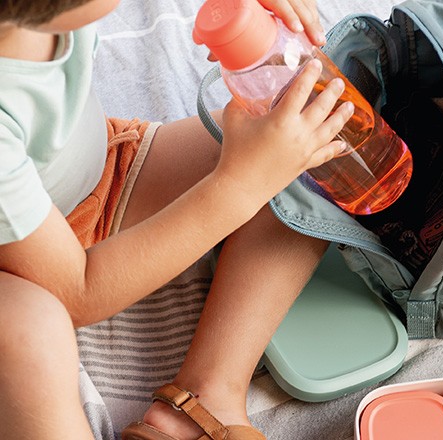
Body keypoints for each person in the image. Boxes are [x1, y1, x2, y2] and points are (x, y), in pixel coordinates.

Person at [0, 0, 354, 438]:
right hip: (23, 269)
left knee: (299, 135)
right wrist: (239, 186)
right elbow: (78, 291)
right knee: (27, 333)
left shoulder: (34, 16)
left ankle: (207, 394)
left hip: (102, 173)